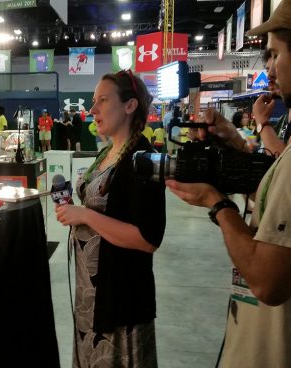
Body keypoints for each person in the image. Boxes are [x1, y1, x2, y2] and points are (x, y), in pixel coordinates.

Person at [165, 3, 291, 366]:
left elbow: (266, 281)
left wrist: (217, 204)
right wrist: (236, 145)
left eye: (275, 54)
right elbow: (272, 191)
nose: (269, 67)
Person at [55, 70, 166, 368]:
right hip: (91, 295)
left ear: (129, 106)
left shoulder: (143, 159)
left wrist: (86, 215)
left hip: (119, 299)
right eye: (93, 102)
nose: (93, 110)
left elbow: (147, 239)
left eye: (103, 100)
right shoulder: (107, 152)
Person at [253, 48, 291, 156]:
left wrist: (262, 120)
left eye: (276, 68)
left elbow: (285, 162)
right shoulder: (283, 120)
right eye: (268, 70)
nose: (269, 76)